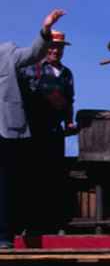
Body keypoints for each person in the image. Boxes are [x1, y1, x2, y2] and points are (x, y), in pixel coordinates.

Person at [0, 9, 65, 248]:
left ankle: (4, 236)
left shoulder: (7, 52)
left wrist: (46, 29)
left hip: (7, 129)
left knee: (7, 182)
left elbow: (34, 52)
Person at [18, 30, 76, 234]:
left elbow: (70, 101)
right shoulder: (30, 69)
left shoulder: (67, 73)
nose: (55, 51)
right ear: (44, 48)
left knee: (54, 176)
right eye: (51, 47)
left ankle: (52, 223)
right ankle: (28, 224)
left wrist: (69, 122)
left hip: (55, 132)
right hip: (34, 131)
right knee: (31, 176)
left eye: (59, 48)